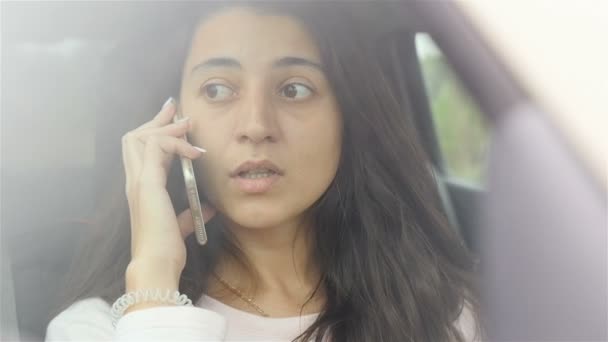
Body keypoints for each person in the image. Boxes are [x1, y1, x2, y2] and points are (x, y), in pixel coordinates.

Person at [45, 2, 483, 341]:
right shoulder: (96, 328)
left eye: (294, 89)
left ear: (348, 119)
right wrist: (154, 279)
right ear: (168, 123)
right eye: (217, 90)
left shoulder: (435, 308)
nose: (256, 126)